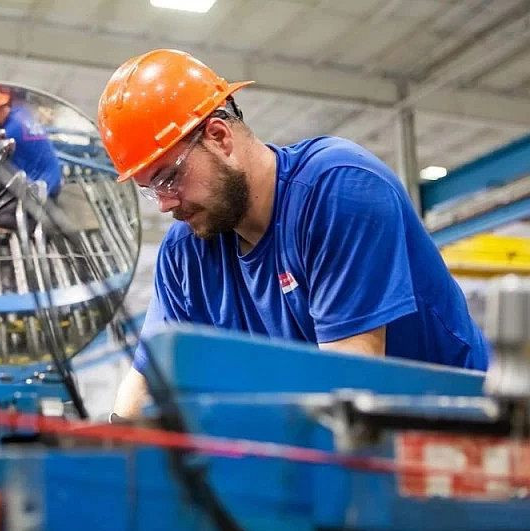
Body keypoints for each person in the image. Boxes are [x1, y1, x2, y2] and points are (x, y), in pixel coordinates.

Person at [97, 49, 490, 419]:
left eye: (169, 177)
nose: (165, 204)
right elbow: (148, 381)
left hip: (456, 434)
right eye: (151, 189)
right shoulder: (186, 253)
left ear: (219, 138)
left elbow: (348, 387)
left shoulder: (338, 190)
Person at [0, 86, 63, 229]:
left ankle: (41, 223)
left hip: (43, 190)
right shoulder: (21, 112)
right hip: (51, 178)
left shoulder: (9, 134)